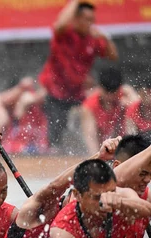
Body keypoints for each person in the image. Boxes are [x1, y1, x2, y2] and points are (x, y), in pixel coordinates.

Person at [39, 0, 118, 150]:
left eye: (92, 20)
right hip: (55, 93)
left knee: (79, 135)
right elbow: (60, 24)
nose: (91, 24)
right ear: (76, 19)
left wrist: (105, 37)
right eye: (87, 19)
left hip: (78, 94)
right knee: (54, 143)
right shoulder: (65, 33)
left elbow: (113, 56)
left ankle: (92, 155)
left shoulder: (93, 39)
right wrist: (76, 1)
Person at [81, 67, 138, 154]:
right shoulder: (89, 105)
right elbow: (90, 136)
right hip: (103, 149)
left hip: (125, 147)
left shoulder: (126, 95)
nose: (110, 97)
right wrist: (98, 158)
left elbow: (142, 113)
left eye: (113, 92)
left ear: (119, 88)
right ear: (99, 88)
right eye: (107, 92)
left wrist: (131, 102)